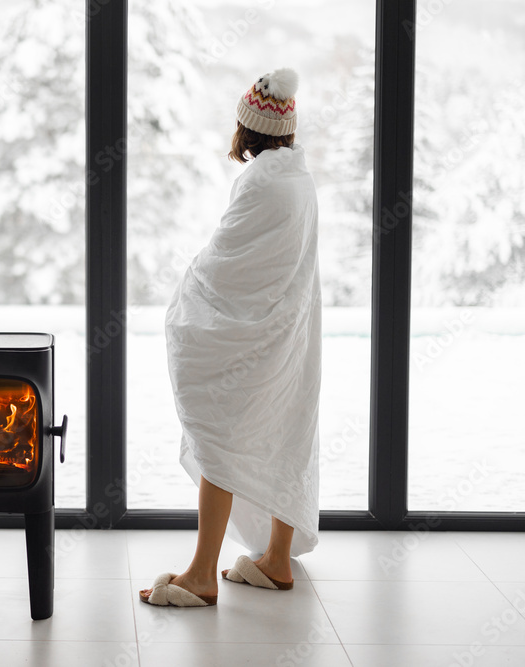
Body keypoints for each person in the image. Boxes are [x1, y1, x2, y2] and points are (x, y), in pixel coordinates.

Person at [140, 67, 322, 607]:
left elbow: (226, 263)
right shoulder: (299, 176)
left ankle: (200, 575)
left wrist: (188, 284)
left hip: (255, 338)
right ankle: (275, 560)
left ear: (247, 128)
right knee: (284, 433)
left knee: (220, 434)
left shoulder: (261, 180)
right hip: (291, 332)